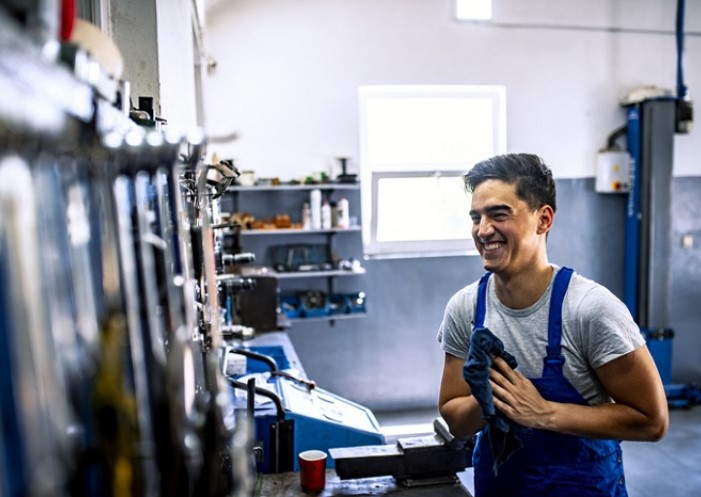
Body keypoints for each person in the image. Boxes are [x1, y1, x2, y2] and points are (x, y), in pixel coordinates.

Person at [437, 153, 668, 497]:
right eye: (476, 217)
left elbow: (652, 421)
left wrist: (545, 413)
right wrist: (486, 400)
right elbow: (455, 420)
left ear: (543, 219)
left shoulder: (590, 309)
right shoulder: (467, 308)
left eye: (499, 214)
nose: (483, 230)